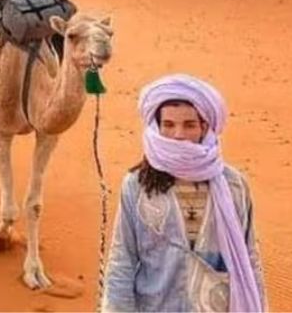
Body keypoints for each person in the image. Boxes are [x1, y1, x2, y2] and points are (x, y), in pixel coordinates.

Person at [102, 74, 268, 312]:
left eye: (189, 125)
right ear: (156, 127)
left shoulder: (233, 186)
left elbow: (250, 261)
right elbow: (122, 262)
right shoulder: (137, 185)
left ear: (204, 127)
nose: (178, 134)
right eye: (168, 125)